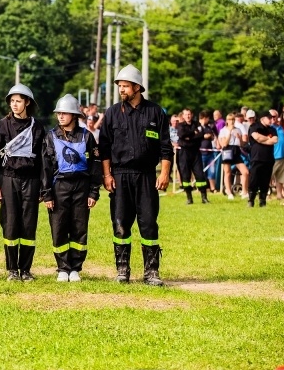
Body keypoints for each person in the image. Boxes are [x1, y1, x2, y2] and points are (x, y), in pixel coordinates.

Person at [98, 65, 172, 286]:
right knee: (120, 222)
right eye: (120, 86)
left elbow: (166, 147)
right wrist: (107, 175)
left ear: (137, 87)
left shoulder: (155, 112)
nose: (121, 90)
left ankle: (151, 272)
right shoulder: (111, 113)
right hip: (120, 176)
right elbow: (104, 148)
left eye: (125, 86)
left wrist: (165, 173)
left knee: (149, 222)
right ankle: (122, 270)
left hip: (147, 176)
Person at [43, 94, 102, 282]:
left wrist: (93, 192)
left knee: (79, 226)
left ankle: (75, 267)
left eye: (65, 113)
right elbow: (45, 168)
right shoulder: (50, 136)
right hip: (59, 186)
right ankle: (62, 267)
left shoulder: (87, 136)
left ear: (74, 115)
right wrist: (47, 194)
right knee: (58, 226)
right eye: (58, 113)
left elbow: (95, 165)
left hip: (81, 187)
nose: (60, 116)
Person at [0, 84, 45, 282]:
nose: (14, 104)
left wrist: (42, 187)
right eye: (12, 101)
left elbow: (42, 160)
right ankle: (12, 270)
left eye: (18, 101)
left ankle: (26, 269)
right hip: (9, 179)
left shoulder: (37, 127)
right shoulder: (3, 125)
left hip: (31, 180)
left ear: (27, 103)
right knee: (10, 223)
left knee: (29, 225)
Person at [176, 108, 209, 204]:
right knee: (186, 176)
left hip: (195, 152)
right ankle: (189, 198)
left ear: (192, 114)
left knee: (200, 175)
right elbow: (181, 135)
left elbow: (201, 135)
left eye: (189, 114)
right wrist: (193, 134)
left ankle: (204, 198)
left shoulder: (196, 124)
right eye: (186, 114)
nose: (188, 116)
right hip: (184, 153)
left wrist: (189, 137)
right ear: (183, 116)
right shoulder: (181, 125)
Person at [248, 111, 277, 207]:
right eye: (269, 118)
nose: (271, 120)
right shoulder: (254, 126)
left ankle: (262, 200)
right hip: (257, 158)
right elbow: (256, 137)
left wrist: (263, 139)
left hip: (268, 158)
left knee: (265, 180)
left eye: (272, 118)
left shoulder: (272, 129)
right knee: (254, 179)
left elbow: (275, 140)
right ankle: (251, 200)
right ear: (262, 118)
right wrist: (268, 139)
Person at [218, 113, 249, 200]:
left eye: (233, 120)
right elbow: (224, 144)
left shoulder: (238, 130)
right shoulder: (223, 130)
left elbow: (242, 144)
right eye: (229, 120)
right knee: (227, 172)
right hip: (227, 150)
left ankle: (244, 191)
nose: (231, 122)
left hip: (236, 151)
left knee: (245, 172)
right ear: (227, 121)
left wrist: (239, 138)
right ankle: (229, 192)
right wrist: (230, 133)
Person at [198, 111, 219, 193]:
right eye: (203, 119)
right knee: (200, 171)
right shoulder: (198, 128)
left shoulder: (210, 127)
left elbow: (214, 136)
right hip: (200, 153)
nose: (205, 120)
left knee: (212, 171)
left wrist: (212, 136)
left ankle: (212, 188)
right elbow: (196, 136)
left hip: (210, 153)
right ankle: (200, 188)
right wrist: (204, 136)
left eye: (206, 118)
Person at [270, 110, 284, 200]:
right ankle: (266, 195)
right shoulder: (267, 128)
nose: (273, 118)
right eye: (271, 116)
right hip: (272, 156)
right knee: (268, 176)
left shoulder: (281, 128)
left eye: (274, 116)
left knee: (280, 177)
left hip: (283, 156)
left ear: (277, 117)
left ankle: (279, 195)